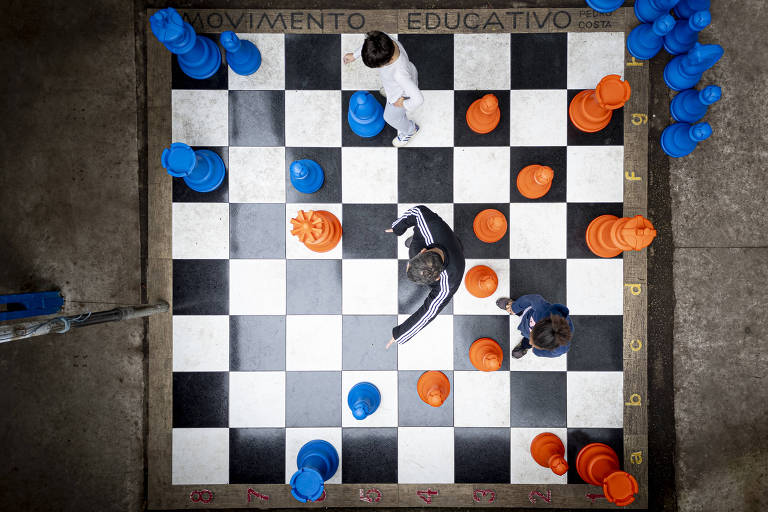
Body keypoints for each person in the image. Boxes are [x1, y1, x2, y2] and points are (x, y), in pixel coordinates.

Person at [385, 206, 465, 348]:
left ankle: (413, 244)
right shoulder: (429, 224)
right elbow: (416, 212)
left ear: (437, 279)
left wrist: (400, 334)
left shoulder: (449, 282)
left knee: (455, 245)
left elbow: (428, 312)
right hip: (440, 238)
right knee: (453, 242)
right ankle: (414, 242)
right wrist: (398, 227)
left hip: (454, 255)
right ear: (423, 251)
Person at [343, 30, 423, 147]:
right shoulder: (385, 41)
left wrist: (404, 104)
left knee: (390, 117)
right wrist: (355, 55)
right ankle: (389, 91)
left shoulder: (399, 74)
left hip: (401, 95)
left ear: (388, 61)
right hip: (405, 76)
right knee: (389, 84)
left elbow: (418, 99)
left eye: (377, 66)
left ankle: (410, 130)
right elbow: (371, 44)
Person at [496, 295, 574, 359]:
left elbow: (554, 354)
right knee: (524, 313)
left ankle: (524, 346)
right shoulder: (543, 310)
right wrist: (515, 307)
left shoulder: (561, 348)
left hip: (529, 328)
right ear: (538, 323)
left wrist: (537, 351)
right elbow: (533, 299)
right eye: (532, 340)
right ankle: (515, 307)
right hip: (528, 315)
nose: (531, 342)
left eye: (534, 344)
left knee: (528, 339)